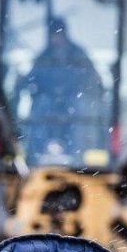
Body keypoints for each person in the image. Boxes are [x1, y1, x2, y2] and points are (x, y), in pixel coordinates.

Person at [15, 16, 110, 166]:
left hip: (73, 103)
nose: (56, 38)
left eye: (59, 34)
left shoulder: (78, 55)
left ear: (65, 34)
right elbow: (32, 79)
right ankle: (36, 156)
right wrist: (23, 82)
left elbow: (93, 80)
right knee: (41, 107)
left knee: (79, 111)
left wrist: (82, 90)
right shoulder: (43, 57)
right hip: (49, 104)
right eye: (53, 35)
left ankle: (78, 158)